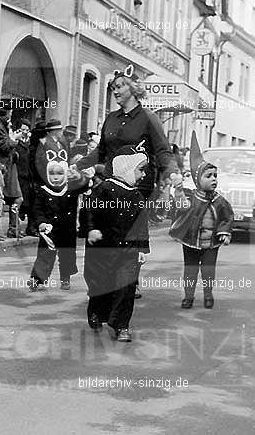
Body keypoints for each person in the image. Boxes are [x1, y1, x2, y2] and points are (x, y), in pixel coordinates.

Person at [75, 64, 182, 200]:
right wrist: (77, 166)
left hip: (139, 186)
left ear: (133, 88)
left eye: (119, 87)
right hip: (111, 182)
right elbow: (101, 151)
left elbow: (163, 151)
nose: (115, 92)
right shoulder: (112, 118)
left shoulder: (149, 118)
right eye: (113, 88)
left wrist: (172, 173)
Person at [82, 144, 150, 342]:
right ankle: (96, 312)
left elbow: (141, 225)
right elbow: (89, 211)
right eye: (141, 169)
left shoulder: (137, 196)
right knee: (100, 285)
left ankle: (121, 325)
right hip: (102, 249)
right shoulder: (103, 190)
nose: (143, 175)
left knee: (126, 287)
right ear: (126, 168)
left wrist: (141, 248)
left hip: (128, 252)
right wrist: (91, 229)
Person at [169, 133, 233, 309]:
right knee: (190, 270)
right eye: (209, 176)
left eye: (215, 176)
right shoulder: (191, 196)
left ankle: (208, 295)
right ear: (198, 179)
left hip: (211, 243)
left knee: (208, 270)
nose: (213, 179)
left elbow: (227, 216)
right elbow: (182, 207)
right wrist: (179, 188)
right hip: (191, 241)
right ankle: (188, 297)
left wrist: (224, 233)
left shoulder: (220, 200)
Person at [27, 120, 89, 292]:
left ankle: (65, 277)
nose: (56, 177)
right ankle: (38, 279)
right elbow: (37, 209)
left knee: (67, 254)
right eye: (52, 174)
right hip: (49, 226)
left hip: (67, 226)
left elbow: (86, 185)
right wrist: (40, 222)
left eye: (59, 173)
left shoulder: (71, 187)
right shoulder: (44, 190)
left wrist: (78, 176)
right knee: (45, 253)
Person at [0, 106, 24, 238]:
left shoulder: (1, 124)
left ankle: (12, 228)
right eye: (9, 115)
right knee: (0, 201)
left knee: (15, 199)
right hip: (2, 168)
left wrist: (14, 154)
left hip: (8, 167)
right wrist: (14, 139)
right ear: (4, 115)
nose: (10, 118)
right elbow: (4, 146)